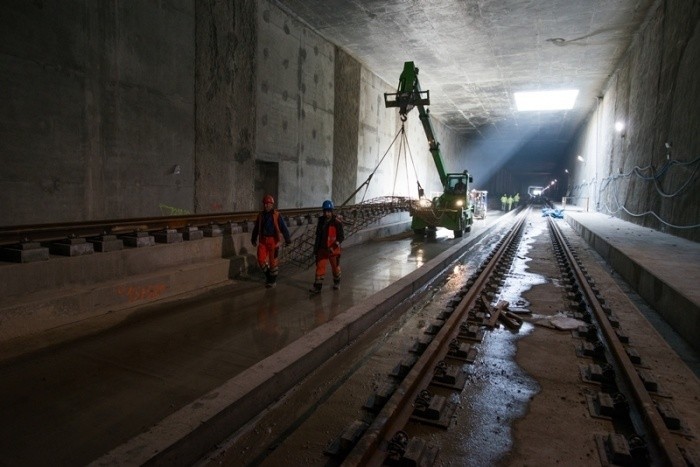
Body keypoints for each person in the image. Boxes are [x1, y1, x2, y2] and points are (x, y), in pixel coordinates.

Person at [251, 194, 291, 287]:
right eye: (265, 203)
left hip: (274, 241)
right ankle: (269, 277)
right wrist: (253, 238)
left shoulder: (276, 215)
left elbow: (283, 228)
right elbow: (256, 228)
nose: (266, 205)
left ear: (272, 204)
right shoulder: (260, 215)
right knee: (261, 259)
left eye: (268, 203)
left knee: (273, 263)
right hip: (263, 241)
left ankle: (272, 281)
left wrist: (287, 239)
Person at [309, 200, 345, 294]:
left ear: (332, 211)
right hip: (322, 249)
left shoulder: (337, 222)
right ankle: (317, 288)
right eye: (325, 211)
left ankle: (337, 282)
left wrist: (334, 246)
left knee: (335, 268)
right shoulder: (321, 221)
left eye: (328, 211)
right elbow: (318, 236)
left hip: (333, 250)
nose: (326, 213)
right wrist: (316, 249)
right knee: (320, 268)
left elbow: (341, 237)